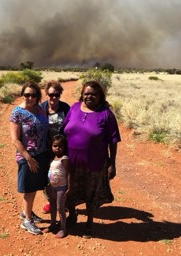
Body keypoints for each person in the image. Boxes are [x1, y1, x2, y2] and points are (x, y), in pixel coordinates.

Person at [61, 80, 121, 239]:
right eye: (86, 93)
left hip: (94, 163)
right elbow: (63, 130)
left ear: (100, 96)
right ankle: (72, 215)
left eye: (93, 94)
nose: (89, 96)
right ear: (82, 94)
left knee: (91, 193)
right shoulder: (74, 108)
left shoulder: (106, 114)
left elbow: (113, 141)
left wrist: (112, 164)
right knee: (70, 190)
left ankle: (89, 222)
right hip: (71, 162)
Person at [9, 81, 49, 235]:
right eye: (27, 95)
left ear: (38, 96)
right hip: (27, 157)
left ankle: (27, 212)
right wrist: (28, 158)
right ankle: (27, 221)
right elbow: (15, 139)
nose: (30, 98)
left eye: (33, 95)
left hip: (41, 155)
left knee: (34, 187)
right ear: (22, 95)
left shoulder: (40, 110)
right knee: (29, 189)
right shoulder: (17, 112)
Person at [40, 80, 70, 214]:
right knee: (48, 175)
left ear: (60, 95)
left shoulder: (65, 108)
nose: (53, 98)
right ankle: (49, 201)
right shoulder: (41, 108)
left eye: (56, 95)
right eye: (51, 94)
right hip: (46, 148)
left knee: (62, 174)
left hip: (62, 148)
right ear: (46, 94)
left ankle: (62, 201)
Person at [43, 134, 72, 238]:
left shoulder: (64, 158)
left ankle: (63, 229)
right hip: (52, 187)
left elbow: (69, 173)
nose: (57, 148)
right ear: (51, 146)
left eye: (60, 146)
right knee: (53, 206)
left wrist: (69, 187)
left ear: (64, 147)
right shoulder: (53, 158)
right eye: (55, 146)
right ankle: (53, 224)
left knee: (60, 208)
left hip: (61, 188)